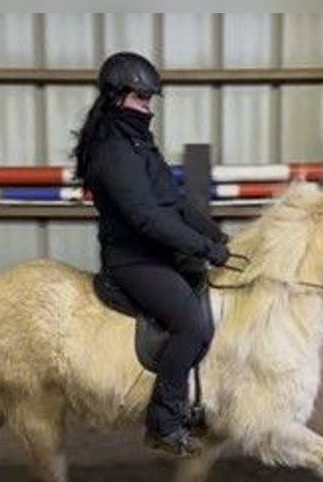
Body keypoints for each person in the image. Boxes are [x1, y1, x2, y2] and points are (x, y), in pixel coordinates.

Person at [72, 51, 230, 457]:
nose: (148, 107)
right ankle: (163, 421)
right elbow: (146, 218)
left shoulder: (137, 141)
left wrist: (218, 237)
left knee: (211, 304)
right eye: (141, 99)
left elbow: (173, 202)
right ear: (116, 97)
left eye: (150, 99)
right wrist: (202, 248)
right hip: (133, 261)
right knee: (191, 324)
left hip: (157, 252)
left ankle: (193, 400)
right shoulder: (113, 151)